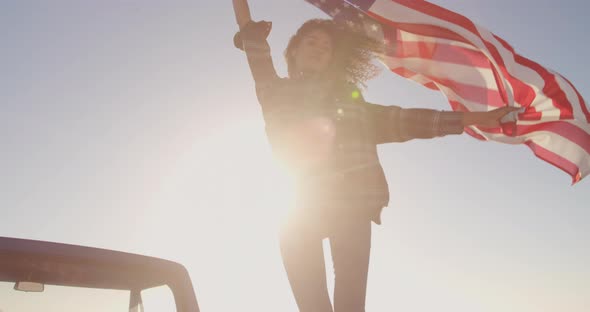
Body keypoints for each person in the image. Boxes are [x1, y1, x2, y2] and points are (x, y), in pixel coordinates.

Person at [233, 4, 518, 312]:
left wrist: (475, 118)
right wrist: (247, 27)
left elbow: (405, 119)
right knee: (312, 306)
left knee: (351, 305)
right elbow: (257, 56)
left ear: (333, 60)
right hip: (299, 207)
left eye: (326, 47)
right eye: (311, 42)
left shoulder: (351, 104)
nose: (319, 49)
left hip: (352, 203)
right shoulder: (275, 92)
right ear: (295, 52)